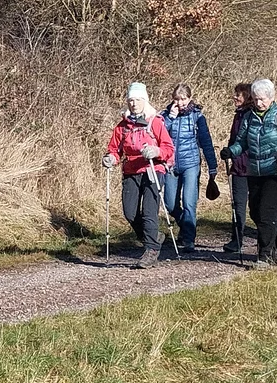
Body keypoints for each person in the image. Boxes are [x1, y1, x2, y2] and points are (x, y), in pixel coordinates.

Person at [219, 78, 277, 266]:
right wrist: (231, 151)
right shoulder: (249, 117)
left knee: (266, 211)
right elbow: (242, 142)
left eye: (262, 99)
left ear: (271, 97)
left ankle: (265, 256)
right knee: (255, 212)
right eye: (255, 99)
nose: (259, 103)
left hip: (276, 171)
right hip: (255, 171)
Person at [102, 82, 175, 270]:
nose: (133, 104)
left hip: (153, 169)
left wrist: (156, 151)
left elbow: (168, 148)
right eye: (130, 100)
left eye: (137, 100)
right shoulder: (122, 126)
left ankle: (151, 250)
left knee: (149, 212)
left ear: (145, 100)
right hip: (131, 171)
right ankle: (154, 237)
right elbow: (115, 150)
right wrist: (111, 158)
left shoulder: (154, 122)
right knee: (130, 212)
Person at [159, 83, 217, 253]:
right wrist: (170, 118)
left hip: (191, 164)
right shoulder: (164, 115)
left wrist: (212, 167)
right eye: (177, 99)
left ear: (189, 98)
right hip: (170, 165)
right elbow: (158, 135)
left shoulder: (197, 116)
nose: (180, 103)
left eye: (183, 99)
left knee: (189, 202)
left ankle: (189, 239)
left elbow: (206, 142)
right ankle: (186, 226)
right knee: (170, 204)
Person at [222, 81, 252, 254]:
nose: (234, 97)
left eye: (238, 95)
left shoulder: (252, 115)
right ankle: (237, 239)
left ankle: (272, 238)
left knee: (257, 206)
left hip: (254, 168)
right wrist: (228, 151)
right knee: (238, 204)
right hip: (239, 167)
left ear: (247, 97)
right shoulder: (238, 115)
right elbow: (234, 139)